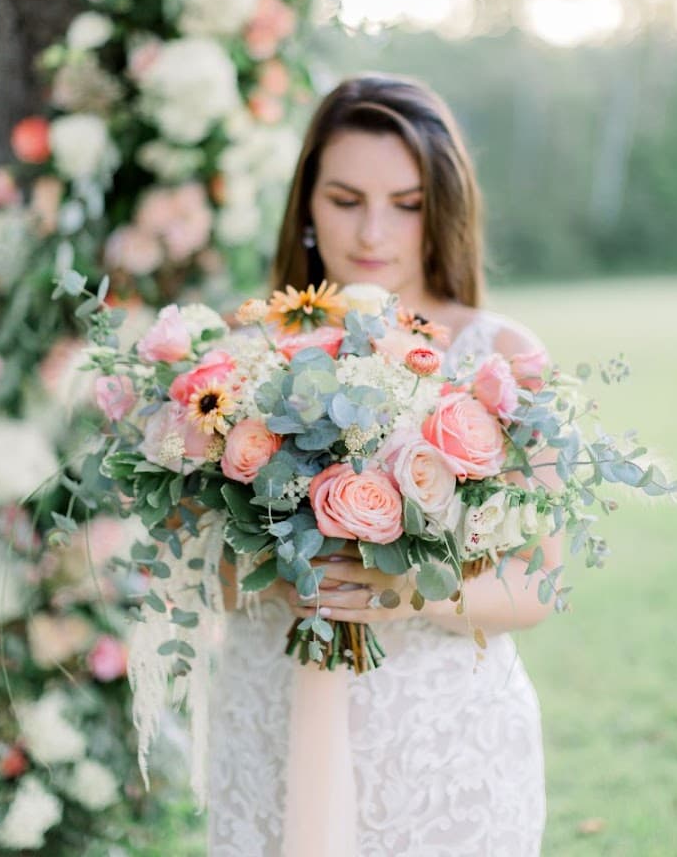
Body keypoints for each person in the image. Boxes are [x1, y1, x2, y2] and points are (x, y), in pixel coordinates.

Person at [207, 73, 560, 856]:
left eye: (406, 204)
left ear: (443, 209)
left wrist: (411, 590)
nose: (373, 232)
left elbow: (538, 582)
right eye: (345, 200)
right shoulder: (240, 355)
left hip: (442, 747)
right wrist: (275, 569)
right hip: (269, 726)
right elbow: (198, 568)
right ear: (306, 203)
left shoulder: (501, 357)